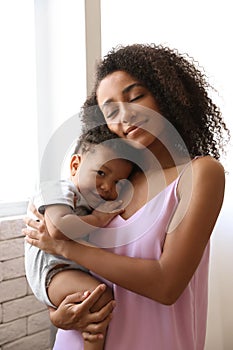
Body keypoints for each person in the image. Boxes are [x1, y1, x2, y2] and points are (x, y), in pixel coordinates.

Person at [23, 43, 230, 350]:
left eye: (136, 96)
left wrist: (66, 245)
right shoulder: (111, 183)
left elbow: (166, 284)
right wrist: (58, 317)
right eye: (109, 110)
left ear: (166, 93)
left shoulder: (200, 174)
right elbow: (64, 272)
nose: (125, 113)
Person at [25, 124, 135, 350]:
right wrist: (98, 220)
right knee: (100, 299)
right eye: (101, 173)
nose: (107, 187)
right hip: (54, 271)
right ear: (75, 165)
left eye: (117, 183)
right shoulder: (58, 188)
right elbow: (57, 229)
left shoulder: (92, 200)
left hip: (68, 267)